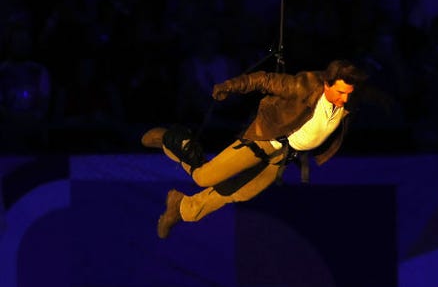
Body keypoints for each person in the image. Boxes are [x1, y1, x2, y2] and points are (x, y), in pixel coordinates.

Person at [141, 59, 370, 239]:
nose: (344, 99)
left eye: (348, 93)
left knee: (239, 191)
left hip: (282, 156)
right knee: (204, 177)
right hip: (263, 140)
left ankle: (182, 207)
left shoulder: (349, 98)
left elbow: (364, 93)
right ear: (326, 84)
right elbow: (264, 80)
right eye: (340, 92)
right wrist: (230, 86)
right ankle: (170, 139)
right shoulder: (304, 85)